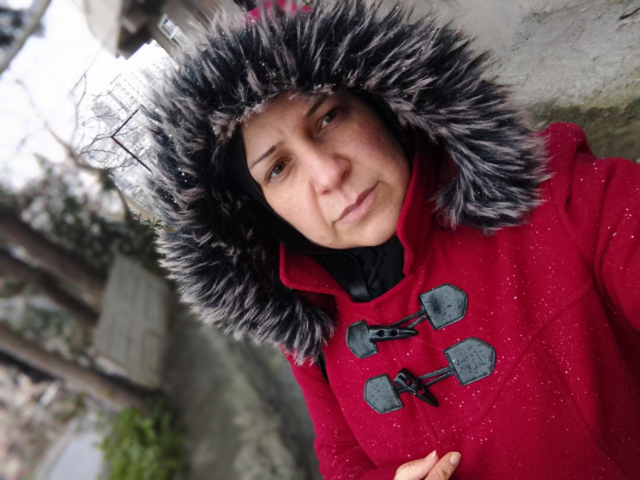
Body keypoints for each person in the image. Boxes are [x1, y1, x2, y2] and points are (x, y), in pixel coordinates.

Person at [144, 1, 640, 479]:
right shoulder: (311, 327)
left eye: (329, 117)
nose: (328, 174)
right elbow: (341, 459)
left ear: (380, 104)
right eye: (278, 168)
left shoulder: (558, 196)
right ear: (261, 212)